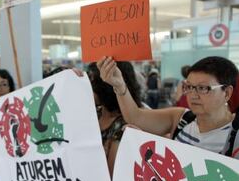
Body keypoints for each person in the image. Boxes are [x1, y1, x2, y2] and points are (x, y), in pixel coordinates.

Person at [98, 56, 239, 158]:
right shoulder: (182, 119)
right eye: (189, 87)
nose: (193, 95)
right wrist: (119, 85)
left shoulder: (235, 136)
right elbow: (136, 117)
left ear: (226, 93)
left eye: (203, 88)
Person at [88, 62, 142, 177]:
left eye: (92, 82)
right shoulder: (93, 113)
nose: (87, 86)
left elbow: (112, 178)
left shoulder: (124, 128)